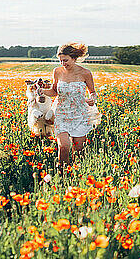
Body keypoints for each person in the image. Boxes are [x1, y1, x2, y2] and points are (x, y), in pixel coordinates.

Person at [38, 42, 100, 174]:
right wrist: (41, 91)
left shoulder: (85, 73)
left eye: (65, 60)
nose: (62, 63)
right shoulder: (57, 71)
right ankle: (62, 174)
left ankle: (77, 175)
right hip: (61, 112)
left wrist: (92, 99)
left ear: (74, 58)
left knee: (79, 150)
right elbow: (54, 91)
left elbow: (93, 92)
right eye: (60, 60)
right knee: (64, 146)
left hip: (80, 114)